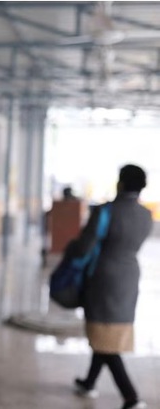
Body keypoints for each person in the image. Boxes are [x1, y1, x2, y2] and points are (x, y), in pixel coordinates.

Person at [71, 164, 152, 409]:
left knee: (103, 335)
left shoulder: (106, 211)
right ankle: (89, 382)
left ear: (121, 183)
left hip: (103, 277)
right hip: (129, 277)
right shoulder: (146, 215)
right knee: (107, 330)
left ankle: (131, 397)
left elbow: (85, 247)